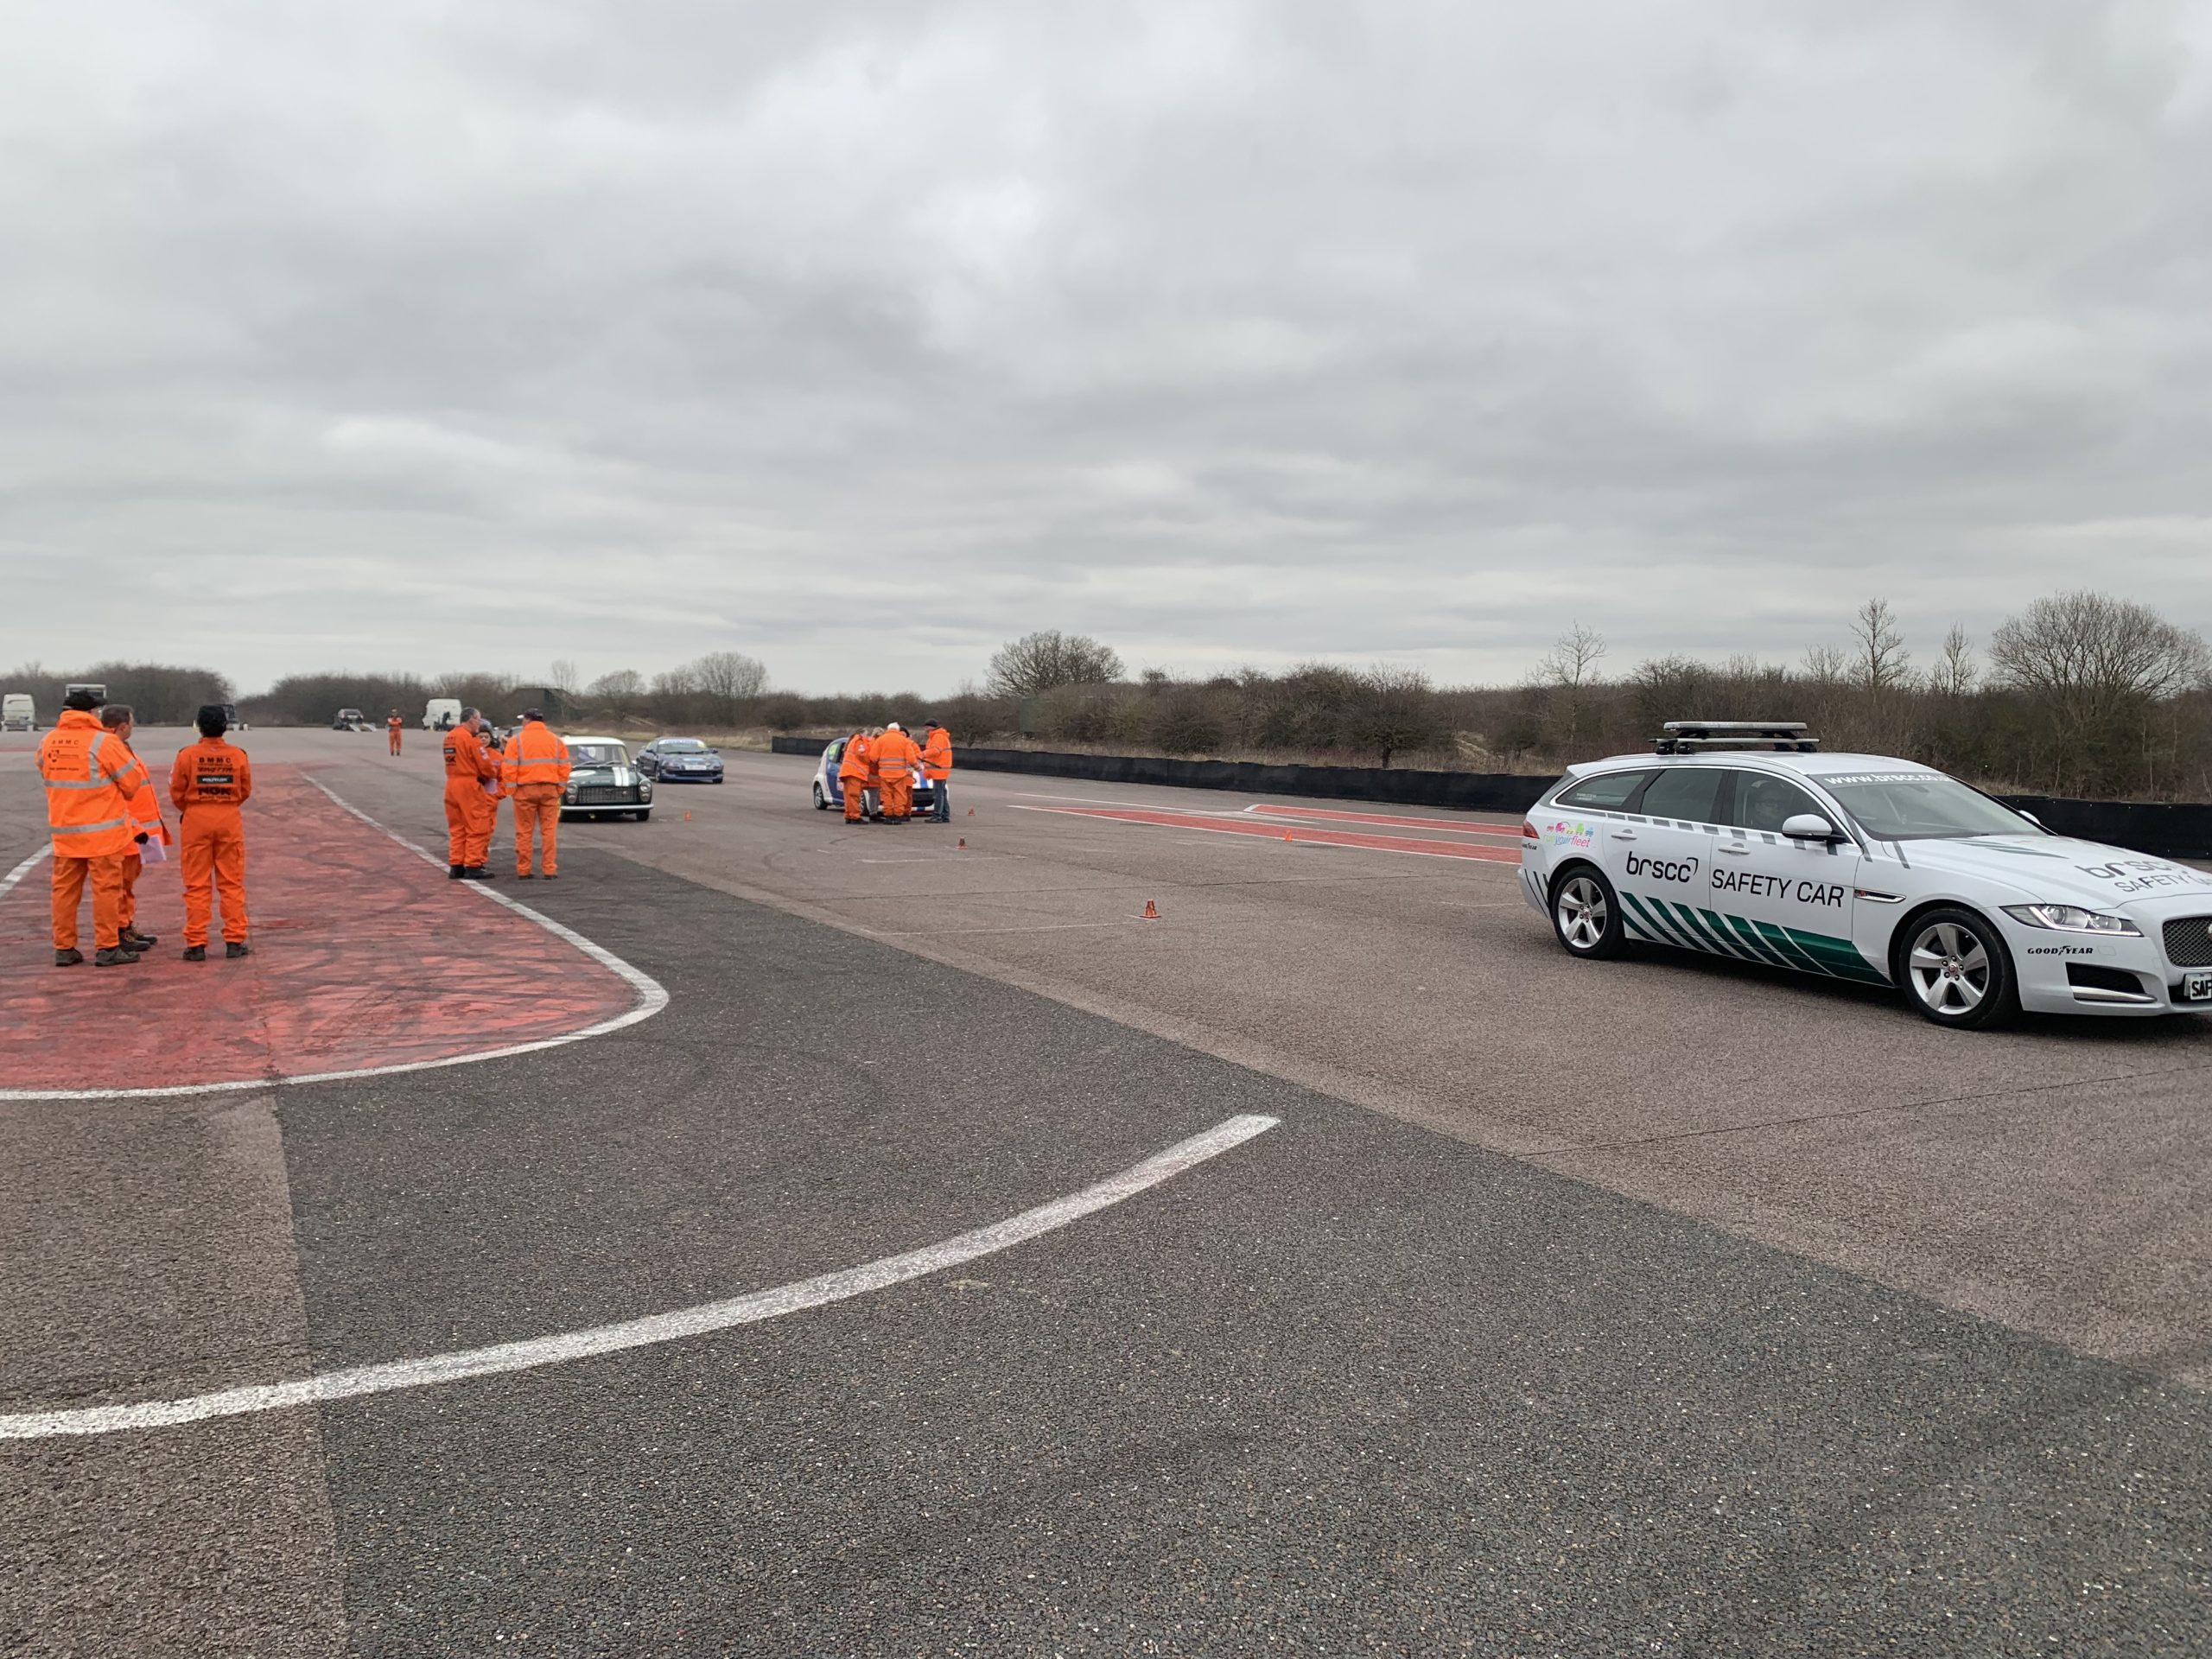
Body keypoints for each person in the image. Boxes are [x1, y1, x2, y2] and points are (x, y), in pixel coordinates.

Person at [36, 688, 140, 966]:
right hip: (103, 835)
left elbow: (43, 769)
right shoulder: (104, 742)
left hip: (65, 832)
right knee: (106, 891)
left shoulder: (48, 741)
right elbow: (132, 784)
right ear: (93, 712)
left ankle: (64, 947)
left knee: (64, 892)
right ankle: (107, 947)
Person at [169, 703, 254, 960]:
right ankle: (234, 940)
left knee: (196, 883)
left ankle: (196, 943)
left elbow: (177, 791)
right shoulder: (238, 755)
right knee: (232, 883)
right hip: (228, 818)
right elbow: (245, 790)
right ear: (225, 726)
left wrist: (192, 809)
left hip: (196, 819)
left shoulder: (186, 755)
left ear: (199, 726)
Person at [100, 702, 168, 954]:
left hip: (137, 828)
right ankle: (120, 930)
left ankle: (126, 925)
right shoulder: (111, 749)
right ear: (122, 726)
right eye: (131, 723)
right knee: (120, 883)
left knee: (127, 883)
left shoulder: (118, 747)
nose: (133, 727)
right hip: (128, 828)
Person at [503, 708, 571, 879]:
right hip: (550, 789)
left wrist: (512, 791)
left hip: (525, 790)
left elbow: (509, 768)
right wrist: (559, 789)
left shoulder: (516, 741)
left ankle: (524, 870)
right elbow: (565, 767)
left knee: (524, 831)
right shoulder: (556, 741)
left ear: (527, 720)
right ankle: (549, 869)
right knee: (549, 831)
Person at [441, 707, 502, 879]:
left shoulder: (449, 737)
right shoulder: (471, 739)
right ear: (471, 719)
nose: (479, 724)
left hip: (452, 784)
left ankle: (457, 865)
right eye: (478, 720)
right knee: (478, 824)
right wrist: (491, 774)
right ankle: (473, 865)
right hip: (469, 785)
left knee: (457, 827)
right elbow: (486, 766)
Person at [873, 721, 920, 823]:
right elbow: (911, 759)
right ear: (898, 730)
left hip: (884, 773)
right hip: (900, 774)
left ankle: (888, 816)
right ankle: (898, 816)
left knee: (886, 795)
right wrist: (917, 767)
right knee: (900, 794)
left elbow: (873, 757)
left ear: (888, 729)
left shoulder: (881, 740)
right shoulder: (904, 741)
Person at [837, 728, 874, 823]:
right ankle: (855, 816)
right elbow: (862, 755)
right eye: (867, 734)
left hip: (848, 772)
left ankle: (849, 815)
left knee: (849, 796)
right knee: (854, 796)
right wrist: (871, 759)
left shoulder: (852, 741)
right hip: (854, 772)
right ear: (862, 734)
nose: (867, 736)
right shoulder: (859, 741)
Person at [919, 719, 953, 823]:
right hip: (940, 769)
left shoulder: (938, 736)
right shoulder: (938, 736)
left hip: (938, 769)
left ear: (932, 727)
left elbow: (935, 751)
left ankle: (937, 815)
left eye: (927, 727)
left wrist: (922, 754)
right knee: (942, 793)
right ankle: (944, 815)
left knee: (938, 794)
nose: (926, 729)